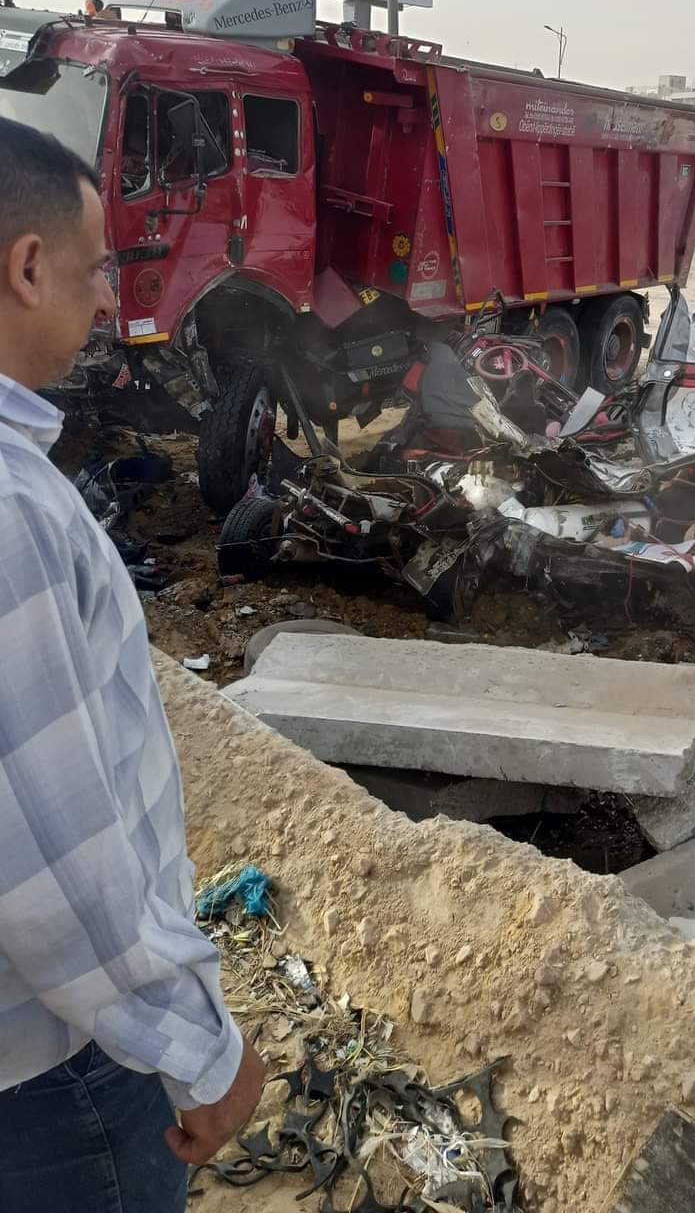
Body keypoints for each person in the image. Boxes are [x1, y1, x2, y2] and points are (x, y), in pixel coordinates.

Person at [0, 117, 264, 1213]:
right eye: (98, 266)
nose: (111, 298)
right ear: (26, 267)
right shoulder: (11, 515)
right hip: (55, 1078)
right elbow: (51, 859)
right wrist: (200, 1047)